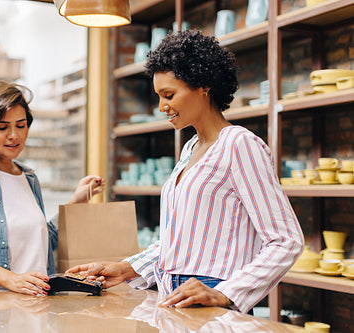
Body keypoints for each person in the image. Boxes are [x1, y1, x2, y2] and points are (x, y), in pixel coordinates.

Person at [68, 30, 304, 314]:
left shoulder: (240, 145)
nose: (161, 107)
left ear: (204, 86)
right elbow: (179, 240)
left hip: (210, 302)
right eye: (158, 96)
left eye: (169, 94)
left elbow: (286, 240)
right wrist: (126, 268)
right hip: (174, 295)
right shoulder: (191, 148)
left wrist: (224, 292)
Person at [0, 80, 103, 297]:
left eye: (21, 125)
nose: (14, 135)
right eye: (2, 127)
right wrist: (13, 280)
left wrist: (77, 201)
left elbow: (44, 240)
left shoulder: (29, 177)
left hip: (38, 306)